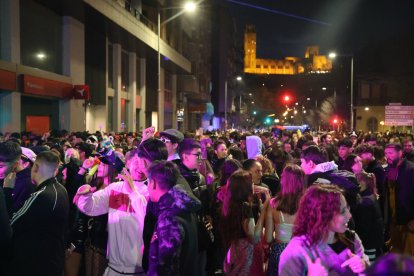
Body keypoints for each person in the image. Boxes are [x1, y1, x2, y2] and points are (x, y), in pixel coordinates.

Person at [74, 148, 148, 275]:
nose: (140, 167)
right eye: (136, 162)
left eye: (144, 163)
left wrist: (133, 193)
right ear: (128, 163)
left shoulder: (152, 191)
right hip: (114, 265)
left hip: (139, 267)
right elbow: (91, 207)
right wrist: (86, 195)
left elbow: (146, 221)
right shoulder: (115, 188)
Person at [279, 184, 369, 275]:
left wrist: (364, 266)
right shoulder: (297, 251)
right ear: (322, 216)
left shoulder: (351, 239)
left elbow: (368, 269)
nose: (349, 215)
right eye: (342, 211)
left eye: (347, 208)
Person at [7, 151, 69, 276]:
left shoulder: (41, 195)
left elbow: (12, 223)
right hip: (53, 260)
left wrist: (7, 190)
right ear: (55, 170)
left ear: (35, 167)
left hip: (36, 264)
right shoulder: (61, 189)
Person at [146, 161, 201, 275]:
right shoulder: (183, 205)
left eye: (148, 182)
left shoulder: (169, 219)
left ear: (154, 183)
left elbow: (166, 269)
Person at [220, 170, 269, 275]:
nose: (253, 185)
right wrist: (264, 211)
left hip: (233, 252)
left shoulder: (228, 204)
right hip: (247, 256)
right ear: (245, 187)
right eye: (251, 182)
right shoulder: (245, 207)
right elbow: (254, 237)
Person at [265, 164, 306, 276]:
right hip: (301, 253)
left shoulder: (273, 203)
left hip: (279, 251)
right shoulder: (307, 203)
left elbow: (268, 238)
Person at [384, 143, 414, 256]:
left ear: (400, 153)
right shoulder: (389, 169)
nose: (387, 156)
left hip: (409, 225)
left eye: (390, 153)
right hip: (394, 223)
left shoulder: (411, 170)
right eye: (386, 153)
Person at [0, 141, 35, 215]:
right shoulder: (4, 175)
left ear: (15, 164)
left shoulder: (27, 183)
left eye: (1, 166)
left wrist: (7, 191)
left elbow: (13, 215)